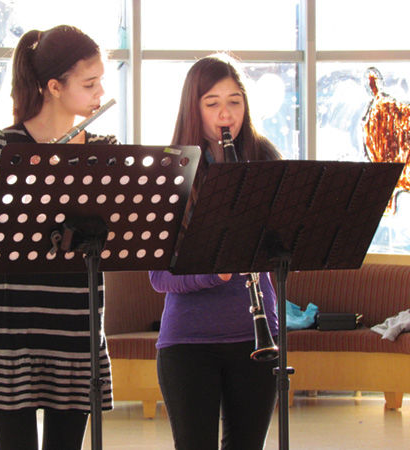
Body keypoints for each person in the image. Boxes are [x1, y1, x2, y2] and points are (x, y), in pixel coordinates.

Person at [0, 25, 117, 450]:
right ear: (55, 87)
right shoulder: (0, 147)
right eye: (89, 83)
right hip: (13, 327)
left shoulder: (102, 150)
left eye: (100, 83)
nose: (99, 92)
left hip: (75, 327)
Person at [149, 54, 281, 450]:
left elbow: (285, 241)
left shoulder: (264, 157)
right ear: (194, 107)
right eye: (212, 103)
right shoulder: (172, 170)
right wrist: (214, 272)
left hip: (257, 337)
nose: (226, 114)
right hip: (188, 343)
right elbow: (159, 278)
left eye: (235, 101)